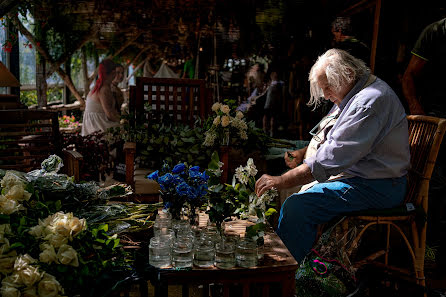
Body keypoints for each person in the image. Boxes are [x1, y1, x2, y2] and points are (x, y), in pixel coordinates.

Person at [255, 49, 410, 262]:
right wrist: (301, 155)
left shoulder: (368, 101)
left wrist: (280, 180)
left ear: (347, 73)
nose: (326, 95)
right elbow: (327, 139)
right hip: (361, 178)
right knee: (291, 193)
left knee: (298, 207)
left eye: (328, 87)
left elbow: (329, 159)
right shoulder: (353, 93)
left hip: (378, 186)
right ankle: (292, 266)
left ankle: (288, 277)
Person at [402, 17, 446, 273]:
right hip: (438, 122)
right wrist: (419, 115)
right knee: (434, 189)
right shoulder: (436, 32)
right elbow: (408, 76)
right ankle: (427, 252)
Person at [82, 59, 120, 136]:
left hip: (93, 124)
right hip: (98, 126)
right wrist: (123, 121)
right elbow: (110, 114)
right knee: (127, 130)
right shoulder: (104, 89)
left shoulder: (99, 85)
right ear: (113, 72)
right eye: (117, 72)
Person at [263, 71, 284, 137]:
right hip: (268, 103)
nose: (275, 76)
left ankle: (271, 131)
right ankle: (266, 130)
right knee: (267, 117)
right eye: (273, 75)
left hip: (273, 103)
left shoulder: (278, 83)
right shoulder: (271, 83)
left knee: (272, 117)